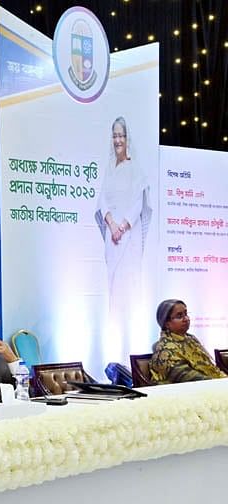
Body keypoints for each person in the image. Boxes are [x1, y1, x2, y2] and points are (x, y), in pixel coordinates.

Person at [95, 116, 152, 359]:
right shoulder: (109, 169)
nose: (118, 140)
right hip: (112, 238)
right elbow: (102, 201)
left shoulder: (135, 169)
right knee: (113, 289)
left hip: (128, 239)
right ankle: (113, 350)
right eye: (115, 136)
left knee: (129, 288)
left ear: (129, 139)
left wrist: (124, 226)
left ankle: (132, 352)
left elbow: (139, 203)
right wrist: (111, 223)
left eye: (121, 135)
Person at [150, 299, 226, 383]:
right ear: (166, 323)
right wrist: (219, 384)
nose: (186, 319)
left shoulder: (191, 339)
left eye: (186, 314)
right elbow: (187, 377)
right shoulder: (165, 349)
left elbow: (210, 367)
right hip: (189, 391)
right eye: (179, 316)